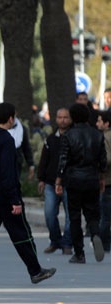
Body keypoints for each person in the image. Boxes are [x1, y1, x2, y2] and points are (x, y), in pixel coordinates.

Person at [0, 102, 56, 286]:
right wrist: (15, 200)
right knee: (21, 234)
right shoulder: (6, 140)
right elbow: (8, 173)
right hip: (5, 197)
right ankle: (36, 271)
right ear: (11, 119)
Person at [56, 103, 107, 264]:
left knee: (74, 216)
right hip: (92, 178)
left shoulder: (68, 135)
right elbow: (102, 161)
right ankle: (95, 234)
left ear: (72, 117)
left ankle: (79, 253)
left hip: (74, 180)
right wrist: (101, 178)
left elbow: (63, 160)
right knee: (93, 213)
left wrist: (58, 180)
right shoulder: (98, 135)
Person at [37, 108, 72, 255]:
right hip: (51, 183)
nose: (62, 120)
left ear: (70, 119)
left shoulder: (73, 137)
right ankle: (55, 241)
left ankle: (67, 243)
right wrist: (41, 179)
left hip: (69, 183)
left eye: (65, 117)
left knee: (71, 216)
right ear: (56, 119)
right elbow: (44, 160)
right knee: (49, 214)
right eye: (60, 117)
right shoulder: (50, 139)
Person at [98, 110, 111, 252]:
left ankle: (104, 243)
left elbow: (107, 159)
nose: (97, 124)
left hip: (107, 181)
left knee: (105, 215)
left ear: (107, 123)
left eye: (100, 121)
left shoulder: (105, 138)